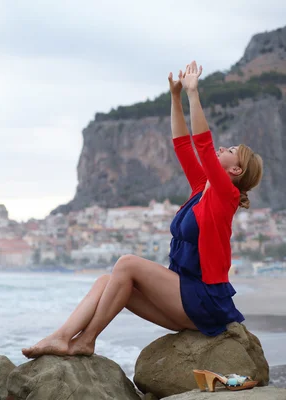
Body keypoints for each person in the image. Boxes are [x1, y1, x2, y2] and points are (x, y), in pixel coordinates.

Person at [21, 60, 264, 359]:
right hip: (183, 299)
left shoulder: (226, 195)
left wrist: (193, 92)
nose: (221, 148)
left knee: (127, 263)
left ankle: (87, 340)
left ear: (236, 170)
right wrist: (175, 98)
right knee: (106, 281)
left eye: (229, 151)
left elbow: (202, 144)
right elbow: (183, 146)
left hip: (204, 301)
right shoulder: (203, 187)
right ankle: (60, 337)